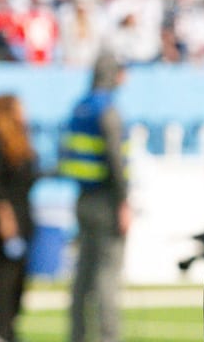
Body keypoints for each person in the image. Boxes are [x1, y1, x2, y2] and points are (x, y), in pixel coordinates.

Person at [59, 51, 131, 342]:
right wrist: (124, 202)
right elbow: (115, 160)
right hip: (106, 201)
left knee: (82, 276)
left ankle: (77, 335)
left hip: (82, 198)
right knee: (106, 276)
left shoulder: (79, 108)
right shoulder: (108, 110)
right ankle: (108, 337)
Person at [0, 93, 39, 342]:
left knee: (16, 286)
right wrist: (5, 217)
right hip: (0, 225)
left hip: (23, 221)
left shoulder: (21, 143)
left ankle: (7, 331)